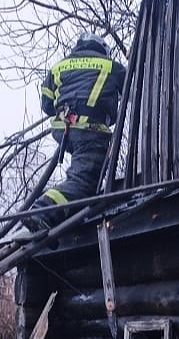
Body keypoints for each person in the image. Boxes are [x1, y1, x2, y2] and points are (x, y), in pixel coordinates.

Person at [22, 33, 126, 231]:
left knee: (82, 177)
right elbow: (135, 85)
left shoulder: (58, 67)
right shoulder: (112, 66)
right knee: (84, 183)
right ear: (103, 50)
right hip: (90, 130)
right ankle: (43, 211)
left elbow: (47, 104)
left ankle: (59, 212)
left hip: (64, 130)